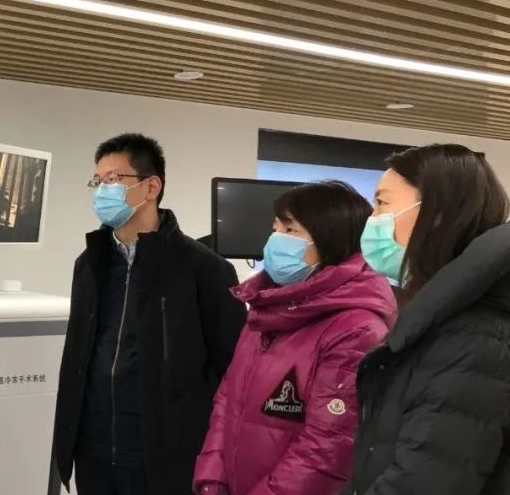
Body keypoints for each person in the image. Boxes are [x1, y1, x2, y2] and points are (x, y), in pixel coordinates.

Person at [52, 133, 247, 495]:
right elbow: (78, 356)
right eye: (98, 181)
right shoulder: (89, 265)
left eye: (114, 179)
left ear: (151, 187)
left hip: (165, 456)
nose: (103, 190)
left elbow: (233, 370)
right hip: (93, 450)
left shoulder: (204, 268)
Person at [193, 181, 395, 495]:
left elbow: (326, 449)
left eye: (290, 230)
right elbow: (227, 401)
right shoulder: (266, 310)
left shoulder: (356, 331)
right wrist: (212, 480)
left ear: (330, 240)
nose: (275, 239)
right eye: (275, 227)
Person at [344, 144, 510, 495]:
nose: (372, 219)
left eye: (382, 203)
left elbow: (423, 480)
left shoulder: (473, 335)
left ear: (438, 215)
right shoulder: (436, 314)